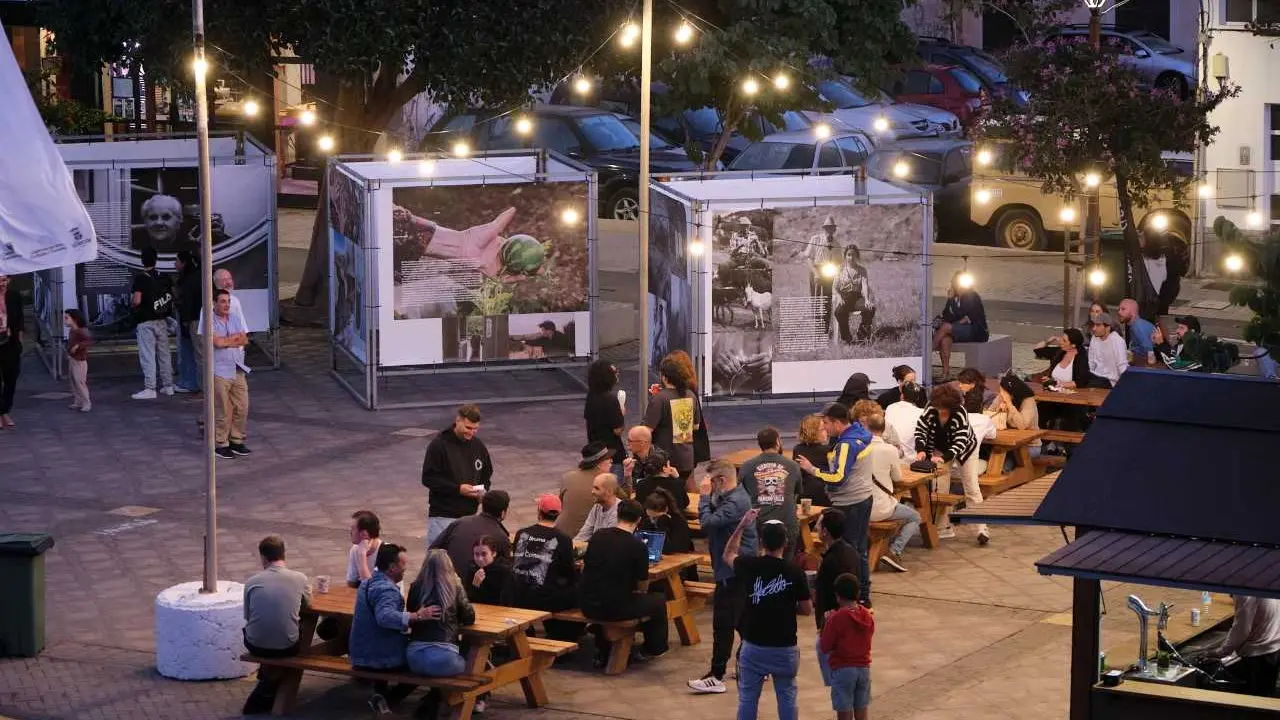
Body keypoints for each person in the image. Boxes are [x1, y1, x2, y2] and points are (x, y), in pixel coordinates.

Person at [725, 516, 812, 720]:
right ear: (786, 543)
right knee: (787, 696)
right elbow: (807, 608)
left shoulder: (749, 565)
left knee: (748, 698)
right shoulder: (795, 572)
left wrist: (740, 526)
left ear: (761, 542)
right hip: (785, 645)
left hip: (754, 643)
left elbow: (728, 553)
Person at [688, 459, 758, 694]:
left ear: (720, 481)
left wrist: (705, 497)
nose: (707, 486)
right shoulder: (731, 497)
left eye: (711, 481)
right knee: (741, 621)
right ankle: (757, 662)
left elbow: (707, 524)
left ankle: (716, 676)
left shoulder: (736, 502)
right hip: (730, 569)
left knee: (723, 624)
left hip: (733, 571)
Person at [794, 404, 874, 606]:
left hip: (850, 502)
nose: (826, 427)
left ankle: (853, 596)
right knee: (860, 550)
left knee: (848, 552)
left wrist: (812, 470)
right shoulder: (861, 434)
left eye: (827, 423)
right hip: (863, 498)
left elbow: (838, 477)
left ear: (837, 422)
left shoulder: (846, 445)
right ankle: (862, 594)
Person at [580, 499, 669, 666]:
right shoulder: (637, 546)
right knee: (657, 601)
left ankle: (602, 647)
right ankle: (654, 648)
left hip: (588, 603)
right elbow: (642, 584)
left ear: (618, 515)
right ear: (639, 520)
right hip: (615, 608)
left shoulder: (598, 536)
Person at [350, 544, 435, 715]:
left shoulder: (368, 583)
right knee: (422, 664)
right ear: (392, 567)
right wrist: (416, 616)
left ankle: (380, 694)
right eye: (403, 565)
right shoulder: (386, 590)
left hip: (360, 653)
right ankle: (389, 700)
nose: (406, 569)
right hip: (379, 658)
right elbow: (385, 617)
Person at [241, 536, 311, 715]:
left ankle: (267, 680)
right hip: (287, 647)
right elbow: (308, 605)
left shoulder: (252, 582)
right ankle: (274, 687)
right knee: (298, 626)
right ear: (284, 555)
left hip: (255, 644)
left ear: (263, 557)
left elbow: (248, 617)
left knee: (267, 628)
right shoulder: (300, 578)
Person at [405, 549, 476, 718]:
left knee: (432, 666)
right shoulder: (454, 587)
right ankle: (436, 701)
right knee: (472, 652)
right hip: (446, 661)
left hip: (414, 659)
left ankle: (430, 701)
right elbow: (469, 617)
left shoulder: (416, 587)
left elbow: (410, 610)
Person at [915, 384, 988, 545]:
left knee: (972, 488)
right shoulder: (930, 409)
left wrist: (945, 457)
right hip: (939, 449)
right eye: (940, 408)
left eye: (945, 409)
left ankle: (981, 528)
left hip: (965, 450)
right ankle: (943, 527)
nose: (942, 411)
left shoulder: (960, 413)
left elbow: (960, 441)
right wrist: (921, 450)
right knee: (940, 489)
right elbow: (920, 430)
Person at [420, 404, 493, 546]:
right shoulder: (439, 445)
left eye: (475, 429)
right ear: (458, 420)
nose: (471, 433)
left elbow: (486, 473)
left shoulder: (478, 446)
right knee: (440, 560)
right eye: (468, 428)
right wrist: (458, 489)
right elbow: (428, 478)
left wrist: (483, 492)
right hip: (443, 515)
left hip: (469, 516)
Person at [511, 495, 579, 638]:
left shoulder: (521, 533)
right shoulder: (563, 539)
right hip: (544, 598)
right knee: (578, 593)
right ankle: (564, 637)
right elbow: (569, 573)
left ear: (539, 511)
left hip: (518, 593)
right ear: (558, 514)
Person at [643, 357, 703, 507]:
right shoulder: (690, 395)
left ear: (664, 377)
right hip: (686, 457)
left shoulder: (660, 398)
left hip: (666, 460)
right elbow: (696, 426)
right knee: (682, 498)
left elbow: (646, 430)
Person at [865, 413, 919, 573]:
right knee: (915, 517)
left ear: (866, 427)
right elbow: (897, 477)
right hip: (881, 507)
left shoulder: (858, 447)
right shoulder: (889, 450)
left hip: (860, 506)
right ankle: (894, 551)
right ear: (883, 430)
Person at [739, 427, 802, 560]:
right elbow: (797, 492)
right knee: (786, 566)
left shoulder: (746, 466)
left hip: (758, 526)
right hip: (787, 525)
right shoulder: (793, 465)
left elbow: (742, 495)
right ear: (778, 442)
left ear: (760, 444)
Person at [819, 573, 875, 720]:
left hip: (843, 669)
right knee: (862, 712)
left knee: (844, 713)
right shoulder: (867, 616)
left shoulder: (836, 618)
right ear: (857, 593)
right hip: (863, 668)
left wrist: (825, 623)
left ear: (838, 596)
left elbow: (824, 646)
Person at [430, 490, 511, 581]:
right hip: (476, 589)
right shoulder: (501, 537)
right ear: (503, 513)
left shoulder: (460, 522)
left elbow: (433, 550)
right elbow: (507, 573)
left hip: (446, 583)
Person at [210, 289, 252, 459]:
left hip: (238, 368)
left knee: (242, 406)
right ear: (214, 303)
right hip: (220, 370)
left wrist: (229, 340)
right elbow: (217, 343)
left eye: (228, 301)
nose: (226, 305)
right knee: (222, 409)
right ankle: (221, 443)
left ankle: (236, 440)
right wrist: (231, 340)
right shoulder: (209, 321)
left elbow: (244, 340)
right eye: (222, 301)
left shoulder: (234, 318)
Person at [130, 246, 176, 399]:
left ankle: (150, 388)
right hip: (162, 320)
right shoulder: (164, 277)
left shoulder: (141, 278)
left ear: (142, 260)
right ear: (156, 260)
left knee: (148, 354)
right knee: (164, 354)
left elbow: (137, 300)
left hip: (145, 322)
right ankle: (168, 385)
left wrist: (132, 304)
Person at [1213, 594, 1280, 697]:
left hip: (1257, 655)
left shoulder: (1244, 594)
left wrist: (1221, 652)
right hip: (1274, 647)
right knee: (1266, 694)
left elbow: (1241, 630)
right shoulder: (1265, 582)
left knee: (1252, 699)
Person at [932, 270, 989, 380]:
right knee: (945, 339)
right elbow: (946, 315)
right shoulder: (953, 297)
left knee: (946, 328)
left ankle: (929, 350)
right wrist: (950, 299)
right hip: (959, 330)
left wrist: (953, 325)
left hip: (976, 331)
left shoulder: (971, 295)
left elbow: (970, 317)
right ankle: (945, 373)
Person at [558, 442, 615, 538]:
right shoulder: (607, 482)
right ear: (598, 464)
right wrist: (627, 474)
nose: (611, 461)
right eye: (608, 458)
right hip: (588, 538)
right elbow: (624, 503)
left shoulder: (567, 477)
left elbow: (562, 504)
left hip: (561, 533)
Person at [814, 510, 861, 625]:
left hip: (834, 621)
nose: (816, 527)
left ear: (825, 531)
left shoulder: (831, 560)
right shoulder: (851, 551)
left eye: (819, 525)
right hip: (849, 615)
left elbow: (825, 595)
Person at [583, 360, 626, 480]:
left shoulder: (591, 396)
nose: (617, 374)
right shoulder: (610, 400)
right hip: (612, 453)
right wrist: (621, 413)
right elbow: (618, 429)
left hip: (596, 451)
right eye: (614, 372)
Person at [627, 425, 685, 509]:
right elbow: (630, 489)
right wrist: (627, 474)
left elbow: (671, 489)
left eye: (630, 441)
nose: (627, 444)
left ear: (642, 442)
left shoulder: (661, 459)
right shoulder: (632, 459)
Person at [832, 245, 876, 344]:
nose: (851, 257)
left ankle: (861, 334)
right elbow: (834, 287)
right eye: (849, 255)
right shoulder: (840, 269)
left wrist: (867, 300)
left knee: (870, 309)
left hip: (857, 297)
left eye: (853, 255)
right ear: (845, 256)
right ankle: (846, 337)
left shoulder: (862, 270)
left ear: (857, 256)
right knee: (838, 312)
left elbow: (865, 285)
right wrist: (839, 297)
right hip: (844, 297)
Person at [174, 250, 202, 394]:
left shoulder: (190, 280)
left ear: (184, 263)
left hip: (193, 320)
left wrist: (185, 320)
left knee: (197, 353)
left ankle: (199, 385)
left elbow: (187, 301)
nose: (175, 264)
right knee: (194, 352)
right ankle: (193, 382)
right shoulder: (197, 276)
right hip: (193, 319)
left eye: (177, 261)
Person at [637, 487, 695, 555]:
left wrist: (662, 524)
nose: (652, 521)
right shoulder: (648, 521)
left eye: (655, 517)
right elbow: (640, 545)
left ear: (666, 510)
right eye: (650, 516)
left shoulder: (679, 523)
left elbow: (670, 550)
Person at [792, 414, 833, 508]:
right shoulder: (828, 451)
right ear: (813, 432)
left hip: (803, 497)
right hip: (824, 497)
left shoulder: (797, 449)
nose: (826, 431)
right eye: (822, 429)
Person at [465, 535, 514, 606]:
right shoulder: (472, 569)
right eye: (476, 554)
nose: (480, 559)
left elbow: (506, 601)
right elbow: (468, 601)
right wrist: (475, 585)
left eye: (484, 554)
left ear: (494, 553)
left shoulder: (504, 571)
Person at [573, 473, 622, 545]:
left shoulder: (618, 512)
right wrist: (572, 546)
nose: (592, 491)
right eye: (593, 487)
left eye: (597, 488)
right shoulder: (597, 506)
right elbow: (584, 533)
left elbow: (606, 544)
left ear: (609, 492)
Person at [0, 274, 22, 428]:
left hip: (11, 344)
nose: (3, 283)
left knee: (11, 380)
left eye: (5, 279)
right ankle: (1, 413)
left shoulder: (14, 296)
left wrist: (19, 340)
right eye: (0, 280)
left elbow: (20, 319)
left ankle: (4, 410)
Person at [1087, 313, 1128, 387]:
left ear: (1108, 327)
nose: (1094, 328)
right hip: (1095, 377)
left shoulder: (1117, 341)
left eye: (1098, 325)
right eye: (1094, 325)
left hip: (1111, 381)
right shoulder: (1094, 338)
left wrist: (1124, 386)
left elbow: (1122, 366)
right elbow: (1091, 362)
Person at [64, 309, 92, 413]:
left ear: (75, 319)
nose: (65, 320)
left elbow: (88, 340)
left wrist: (78, 346)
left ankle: (86, 402)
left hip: (79, 360)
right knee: (73, 381)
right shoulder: (72, 331)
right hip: (73, 359)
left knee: (79, 381)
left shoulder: (81, 331)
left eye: (67, 318)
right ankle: (78, 400)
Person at [347, 510, 383, 588]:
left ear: (364, 534)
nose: (350, 532)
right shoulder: (355, 550)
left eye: (353, 529)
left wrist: (362, 556)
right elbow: (351, 583)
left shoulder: (388, 552)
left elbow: (371, 589)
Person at [1117, 298, 1156, 362]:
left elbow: (1148, 350)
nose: (1119, 312)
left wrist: (1131, 350)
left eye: (1123, 309)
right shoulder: (1135, 325)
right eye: (1119, 309)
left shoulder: (1137, 327)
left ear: (1133, 312)